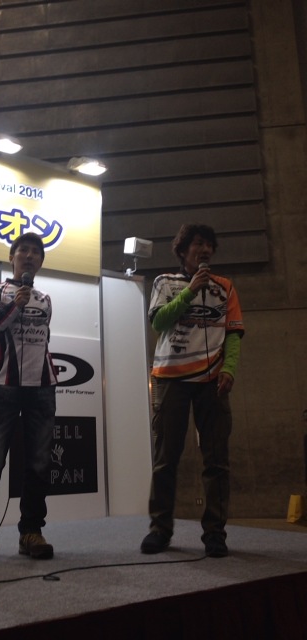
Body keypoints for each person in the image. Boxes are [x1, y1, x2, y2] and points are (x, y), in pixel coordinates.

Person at [141, 223, 244, 558]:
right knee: (165, 459)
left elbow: (233, 333)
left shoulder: (225, 287)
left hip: (212, 382)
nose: (205, 250)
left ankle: (215, 533)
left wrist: (229, 369)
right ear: (183, 250)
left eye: (209, 245)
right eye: (198, 243)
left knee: (217, 461)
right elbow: (159, 322)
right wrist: (190, 291)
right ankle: (160, 529)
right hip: (170, 379)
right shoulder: (164, 282)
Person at [0, 232, 58, 562]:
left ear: (41, 261)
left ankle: (31, 532)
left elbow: (44, 339)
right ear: (12, 257)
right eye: (24, 250)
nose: (30, 256)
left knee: (39, 462)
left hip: (42, 389)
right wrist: (13, 307)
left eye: (36, 252)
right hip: (4, 388)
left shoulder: (45, 298)